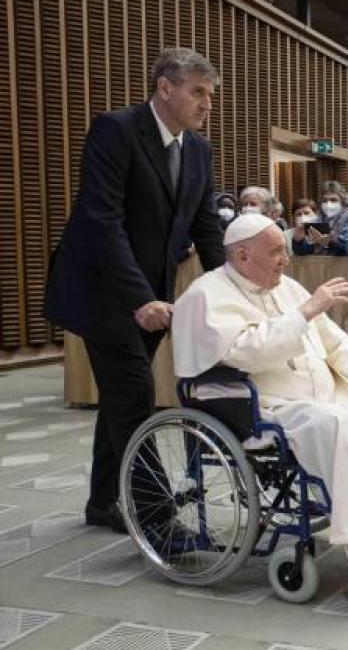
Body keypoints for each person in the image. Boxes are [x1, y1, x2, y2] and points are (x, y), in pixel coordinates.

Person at [171, 215, 348, 589]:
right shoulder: (206, 295)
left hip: (326, 393)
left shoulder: (286, 287)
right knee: (336, 422)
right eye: (276, 251)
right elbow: (247, 353)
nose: (285, 258)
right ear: (243, 256)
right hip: (269, 409)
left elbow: (333, 340)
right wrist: (305, 312)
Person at [43, 48, 226, 534]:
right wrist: (138, 297)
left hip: (154, 294)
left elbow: (206, 226)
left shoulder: (198, 150)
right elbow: (102, 221)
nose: (206, 104)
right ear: (164, 88)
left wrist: (235, 289)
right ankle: (157, 517)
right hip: (105, 290)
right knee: (135, 393)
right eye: (197, 92)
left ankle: (103, 502)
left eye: (210, 95)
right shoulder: (116, 131)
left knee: (121, 399)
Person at [294, 181, 348, 256]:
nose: (328, 204)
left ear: (342, 201)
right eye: (325, 200)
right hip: (320, 266)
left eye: (333, 200)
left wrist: (328, 242)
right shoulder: (318, 220)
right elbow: (305, 251)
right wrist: (298, 240)